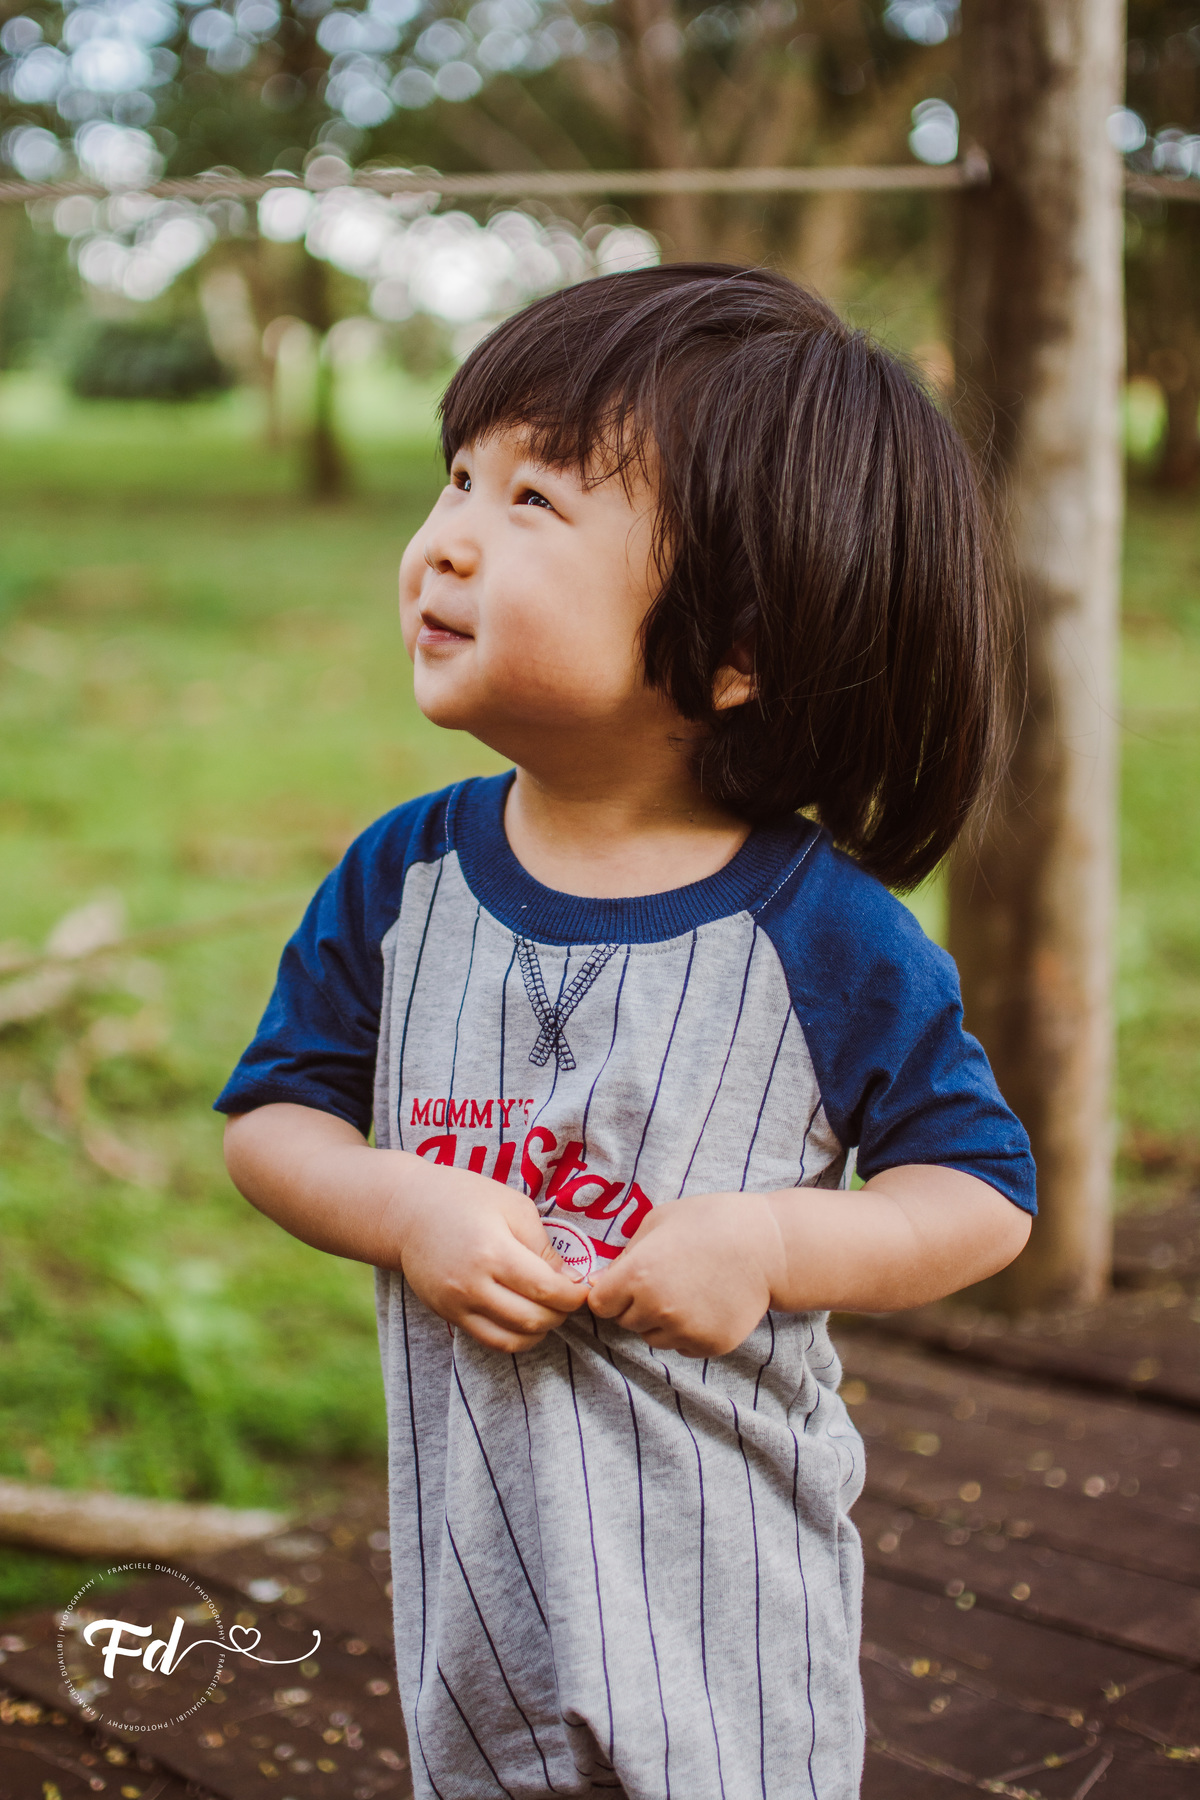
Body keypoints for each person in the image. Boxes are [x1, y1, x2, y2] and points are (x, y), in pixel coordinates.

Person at [217, 264, 1035, 1800]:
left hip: (726, 1605)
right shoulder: (407, 878)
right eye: (460, 475)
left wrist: (773, 1248)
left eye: (536, 501)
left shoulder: (823, 933)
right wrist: (406, 1206)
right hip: (479, 1592)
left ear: (734, 647)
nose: (447, 535)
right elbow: (273, 1124)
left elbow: (981, 1197)